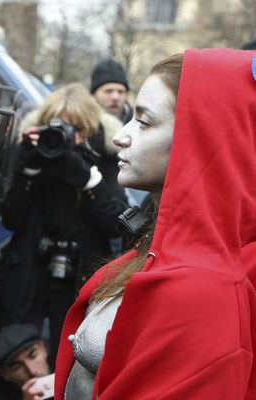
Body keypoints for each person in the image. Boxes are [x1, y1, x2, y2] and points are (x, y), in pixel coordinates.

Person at [56, 49, 256, 399]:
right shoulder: (167, 250)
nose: (121, 135)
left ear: (203, 138)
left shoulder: (204, 294)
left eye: (144, 122)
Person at [0, 84, 128, 366]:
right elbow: (11, 219)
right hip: (31, 273)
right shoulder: (33, 152)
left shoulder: (104, 156)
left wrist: (89, 181)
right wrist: (27, 171)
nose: (67, 137)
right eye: (58, 127)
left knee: (70, 361)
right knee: (26, 356)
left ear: (90, 129)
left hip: (81, 273)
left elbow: (115, 225)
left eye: (77, 129)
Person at [0, 324, 52, 400]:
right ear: (5, 374)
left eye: (33, 356)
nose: (32, 371)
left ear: (43, 349)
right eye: (17, 367)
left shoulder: (64, 372)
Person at [89, 59, 132, 125]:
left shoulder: (140, 125)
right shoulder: (80, 127)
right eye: (108, 91)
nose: (115, 97)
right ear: (94, 94)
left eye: (120, 92)